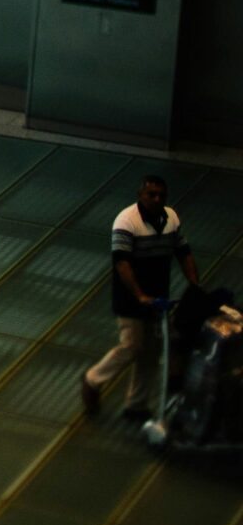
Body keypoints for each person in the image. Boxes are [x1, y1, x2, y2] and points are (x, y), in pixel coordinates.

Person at [79, 173, 201, 422]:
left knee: (151, 350)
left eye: (161, 195)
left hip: (158, 296)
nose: (157, 199)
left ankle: (137, 404)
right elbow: (122, 264)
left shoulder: (171, 218)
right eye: (151, 194)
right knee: (132, 345)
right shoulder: (126, 221)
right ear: (140, 195)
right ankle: (93, 379)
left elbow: (183, 253)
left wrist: (194, 285)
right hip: (131, 298)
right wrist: (140, 295)